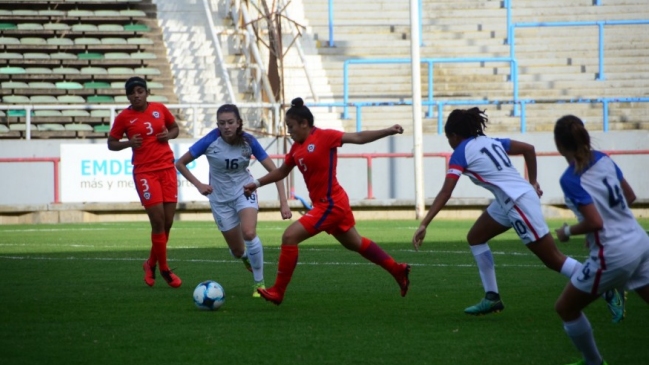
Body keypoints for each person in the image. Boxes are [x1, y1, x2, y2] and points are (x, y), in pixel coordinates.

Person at [411, 107, 624, 319]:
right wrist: (532, 181)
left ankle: (604, 285)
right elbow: (528, 149)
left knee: (552, 259)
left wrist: (424, 223)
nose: (449, 142)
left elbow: (446, 191)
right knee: (476, 237)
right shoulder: (491, 141)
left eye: (449, 138)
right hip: (509, 199)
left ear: (454, 135)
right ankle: (492, 296)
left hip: (517, 203)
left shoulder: (459, 153)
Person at [242, 97, 411, 305]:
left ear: (304, 124)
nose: (289, 131)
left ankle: (278, 291)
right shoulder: (296, 148)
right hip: (329, 203)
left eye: (291, 126)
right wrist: (257, 183)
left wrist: (388, 130)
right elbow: (281, 172)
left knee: (289, 237)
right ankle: (397, 269)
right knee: (355, 243)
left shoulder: (325, 136)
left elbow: (357, 137)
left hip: (331, 203)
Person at [552, 115, 649, 365]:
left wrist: (568, 232)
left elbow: (595, 222)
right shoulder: (603, 158)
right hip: (640, 240)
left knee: (566, 308)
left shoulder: (570, 178)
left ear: (559, 145)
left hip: (614, 253)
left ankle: (593, 362)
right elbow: (630, 195)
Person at [175, 104, 292, 297]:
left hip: (244, 192)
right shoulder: (210, 140)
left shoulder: (248, 142)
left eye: (230, 122)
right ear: (217, 125)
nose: (226, 126)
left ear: (238, 123)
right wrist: (199, 184)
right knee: (237, 250)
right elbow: (180, 163)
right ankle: (245, 257)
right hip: (220, 200)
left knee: (249, 232)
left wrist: (283, 202)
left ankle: (259, 284)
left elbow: (276, 171)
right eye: (222, 123)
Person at [107, 76, 182, 288]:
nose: (136, 95)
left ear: (147, 93)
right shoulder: (124, 117)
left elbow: (175, 128)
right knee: (157, 221)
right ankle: (165, 269)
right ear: (128, 96)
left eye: (140, 91)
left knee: (167, 222)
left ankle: (150, 264)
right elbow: (111, 143)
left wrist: (168, 135)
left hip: (167, 169)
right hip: (145, 173)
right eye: (132, 92)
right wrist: (129, 143)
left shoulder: (160, 109)